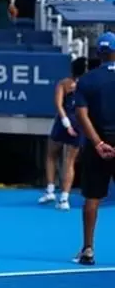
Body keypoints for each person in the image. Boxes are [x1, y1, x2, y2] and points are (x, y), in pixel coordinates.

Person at [73, 33, 115, 266]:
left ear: (98, 53)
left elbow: (82, 115)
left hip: (96, 146)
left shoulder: (87, 80)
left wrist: (98, 143)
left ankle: (88, 249)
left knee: (93, 198)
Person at [38, 58, 87, 211]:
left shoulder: (64, 83)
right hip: (79, 123)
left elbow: (59, 105)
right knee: (69, 162)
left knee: (51, 155)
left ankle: (50, 191)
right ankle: (64, 199)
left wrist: (66, 124)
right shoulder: (89, 85)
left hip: (63, 123)